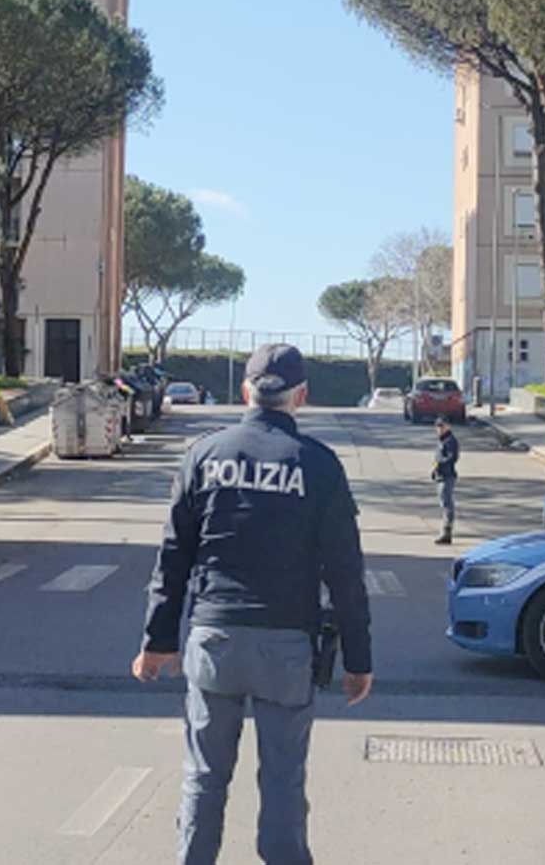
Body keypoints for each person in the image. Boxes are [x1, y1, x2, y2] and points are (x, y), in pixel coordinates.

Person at [134, 343, 372, 865]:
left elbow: (173, 557)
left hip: (213, 639)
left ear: (246, 392)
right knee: (284, 781)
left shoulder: (204, 454)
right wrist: (358, 661)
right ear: (301, 396)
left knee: (203, 777)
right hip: (287, 648)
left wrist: (156, 641)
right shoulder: (320, 466)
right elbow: (346, 574)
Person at [432, 418, 460, 545]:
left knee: (447, 504)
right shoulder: (441, 440)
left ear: (448, 426)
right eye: (437, 426)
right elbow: (438, 457)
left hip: (447, 475)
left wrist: (440, 465)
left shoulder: (450, 441)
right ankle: (445, 530)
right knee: (444, 503)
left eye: (442, 426)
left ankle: (447, 532)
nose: (439, 429)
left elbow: (452, 458)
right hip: (441, 475)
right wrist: (435, 469)